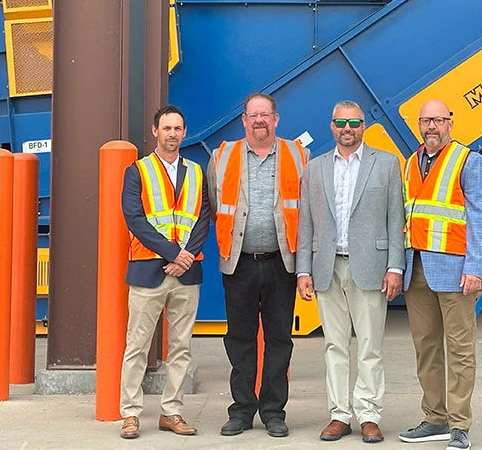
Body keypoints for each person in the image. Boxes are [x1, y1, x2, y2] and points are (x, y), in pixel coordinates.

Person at [296, 100, 405, 444]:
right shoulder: (315, 168)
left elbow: (395, 218)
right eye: (341, 123)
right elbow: (305, 224)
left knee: (370, 346)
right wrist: (303, 271)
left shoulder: (386, 164)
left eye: (354, 123)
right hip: (327, 266)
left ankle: (369, 414)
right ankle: (340, 414)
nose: (347, 129)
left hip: (371, 267)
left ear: (363, 127)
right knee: (334, 346)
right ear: (331, 126)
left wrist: (395, 266)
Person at [207, 92, 309, 438]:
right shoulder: (222, 156)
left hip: (283, 263)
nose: (260, 121)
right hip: (239, 264)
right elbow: (213, 203)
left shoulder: (299, 155)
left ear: (276, 119)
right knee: (240, 338)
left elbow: (308, 214)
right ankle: (241, 410)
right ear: (244, 120)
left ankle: (273, 411)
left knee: (280, 339)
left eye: (266, 115)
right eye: (253, 115)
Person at [398, 99, 482, 450]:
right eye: (425, 121)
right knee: (426, 347)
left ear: (450, 122)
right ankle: (434, 417)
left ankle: (459, 424)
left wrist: (474, 268)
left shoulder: (468, 160)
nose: (431, 127)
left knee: (460, 348)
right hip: (416, 269)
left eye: (438, 120)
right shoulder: (411, 162)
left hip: (455, 272)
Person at [119, 105, 211, 439]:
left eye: (178, 128)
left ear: (184, 132)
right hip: (148, 270)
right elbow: (134, 218)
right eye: (166, 128)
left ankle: (172, 412)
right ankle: (130, 414)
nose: (172, 134)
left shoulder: (198, 172)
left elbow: (203, 216)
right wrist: (176, 254)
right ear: (155, 131)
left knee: (181, 348)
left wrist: (184, 259)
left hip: (186, 274)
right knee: (137, 346)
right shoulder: (137, 171)